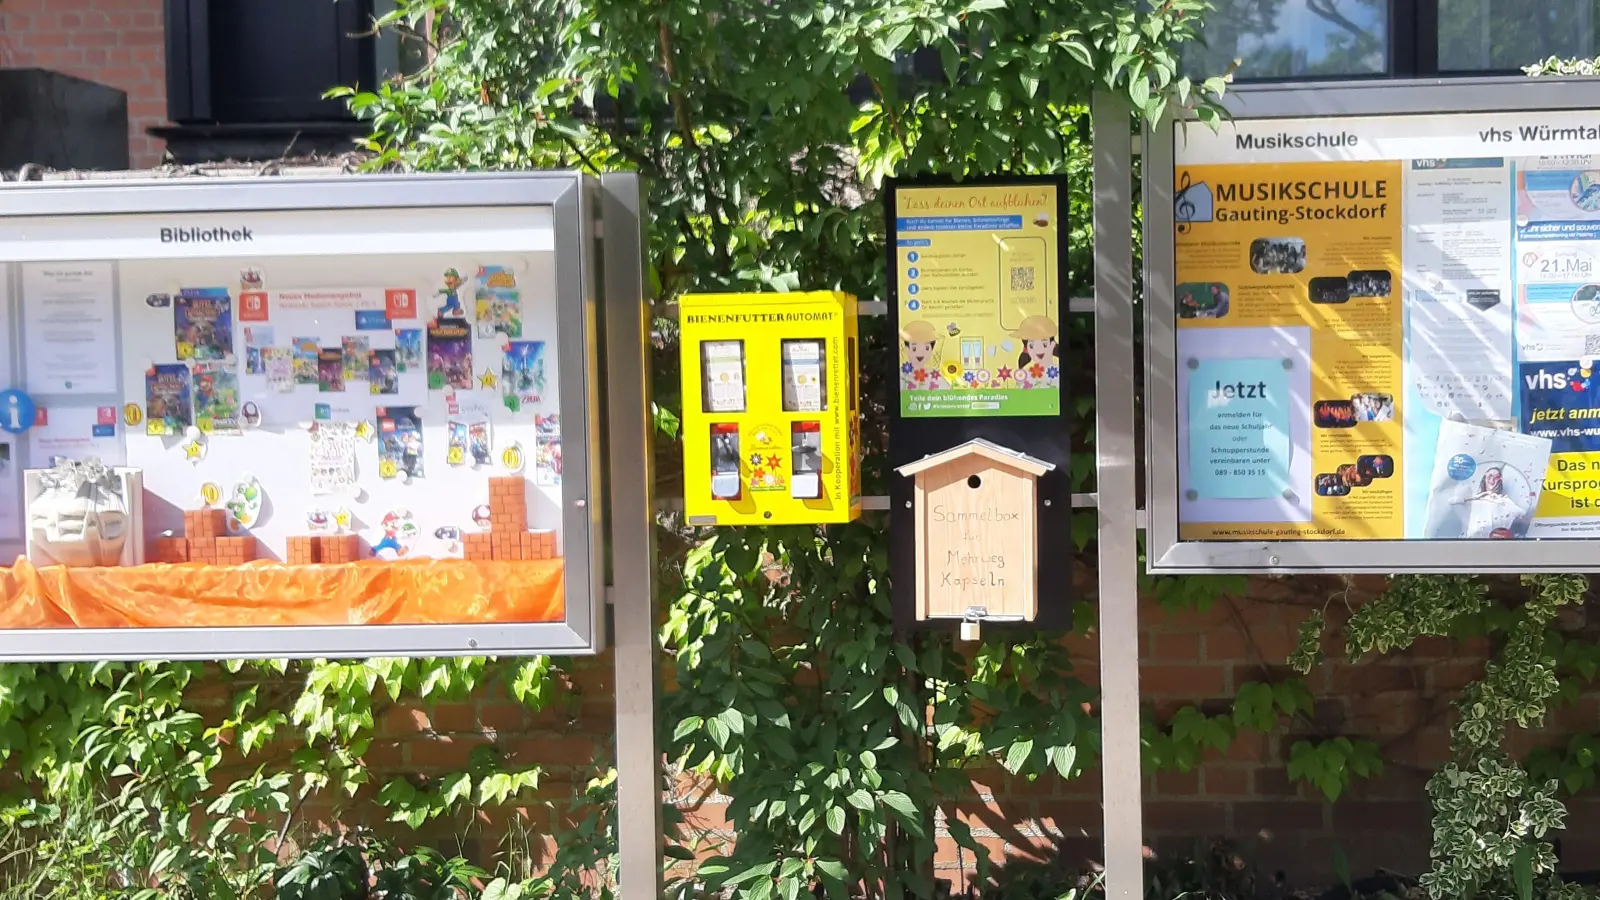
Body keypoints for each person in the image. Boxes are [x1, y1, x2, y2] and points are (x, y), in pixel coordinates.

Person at [1452, 467, 1529, 538]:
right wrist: (1477, 497)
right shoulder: (1474, 499)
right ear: (1485, 478)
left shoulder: (1503, 499)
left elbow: (1522, 514)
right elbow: (1453, 502)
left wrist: (1499, 500)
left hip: (1494, 542)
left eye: (1496, 477)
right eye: (1490, 476)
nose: (1492, 480)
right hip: (1473, 541)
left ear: (1499, 481)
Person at [1011, 315, 1060, 389]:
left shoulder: (1060, 371)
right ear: (1027, 349)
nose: (1038, 349)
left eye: (1044, 344)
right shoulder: (1025, 374)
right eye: (1031, 345)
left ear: (1052, 345)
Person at [898, 320, 948, 390]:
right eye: (914, 348)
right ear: (907, 349)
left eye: (926, 348)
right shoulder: (900, 376)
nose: (920, 352)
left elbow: (948, 395)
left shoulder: (935, 377)